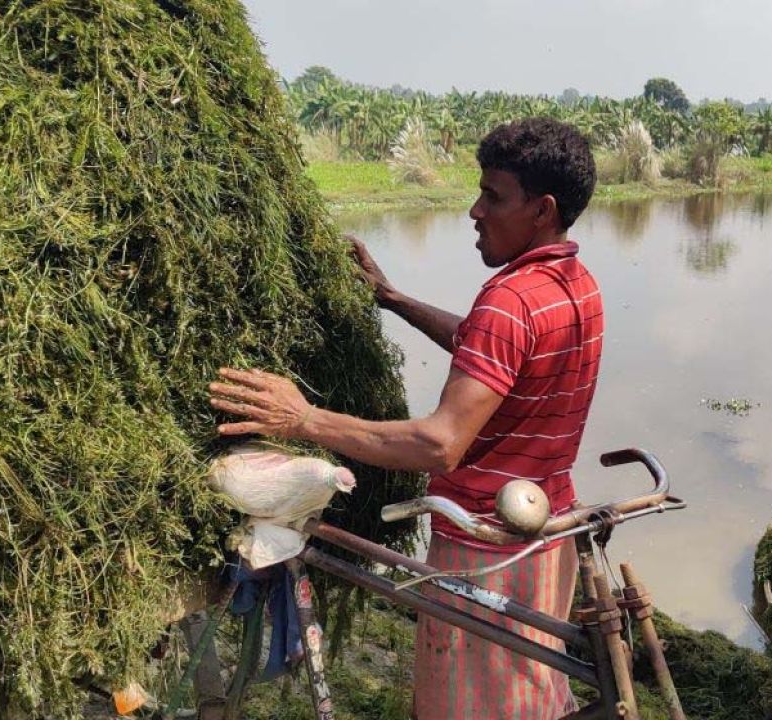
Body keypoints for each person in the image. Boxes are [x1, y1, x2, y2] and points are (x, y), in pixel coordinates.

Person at [208, 117, 602, 719]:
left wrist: (301, 417)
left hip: (485, 548)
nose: (475, 211)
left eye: (493, 197)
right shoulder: (575, 287)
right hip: (549, 539)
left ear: (542, 210)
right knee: (533, 700)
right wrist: (394, 300)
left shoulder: (511, 300)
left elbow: (439, 445)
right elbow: (489, 352)